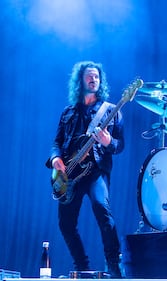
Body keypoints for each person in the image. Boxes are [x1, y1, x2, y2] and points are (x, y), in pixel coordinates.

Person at [46, 61, 125, 278]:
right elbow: (57, 142)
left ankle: (113, 264)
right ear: (81, 80)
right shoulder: (68, 112)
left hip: (95, 171)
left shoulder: (110, 110)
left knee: (102, 208)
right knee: (65, 224)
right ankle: (82, 266)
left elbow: (120, 146)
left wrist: (108, 141)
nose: (93, 79)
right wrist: (55, 160)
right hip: (69, 174)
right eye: (89, 76)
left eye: (97, 77)